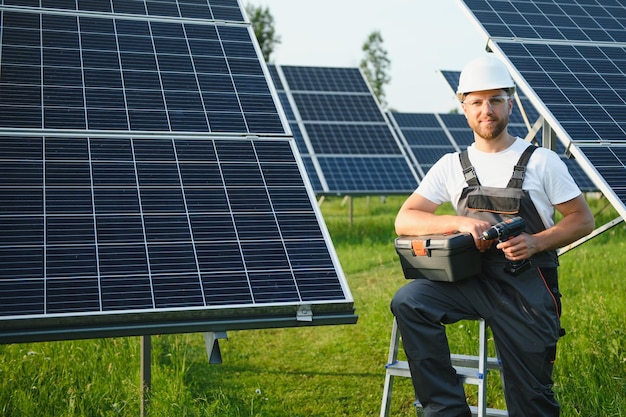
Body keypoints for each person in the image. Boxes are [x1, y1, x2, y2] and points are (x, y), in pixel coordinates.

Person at [390, 54, 594, 417]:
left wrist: (536, 241)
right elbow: (405, 218)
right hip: (470, 279)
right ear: (463, 107)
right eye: (477, 101)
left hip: (528, 287)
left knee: (532, 401)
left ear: (510, 103)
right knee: (410, 300)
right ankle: (447, 409)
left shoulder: (542, 161)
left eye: (496, 99)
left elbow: (582, 219)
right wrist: (460, 223)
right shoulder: (451, 165)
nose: (487, 110)